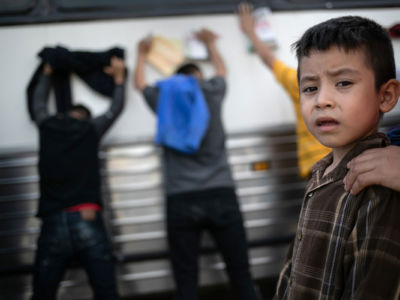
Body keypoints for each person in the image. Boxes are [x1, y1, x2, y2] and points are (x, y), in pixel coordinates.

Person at [273, 16, 400, 300]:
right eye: (310, 88)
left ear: (386, 95)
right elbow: (292, 273)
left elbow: (373, 288)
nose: (322, 100)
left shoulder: (379, 184)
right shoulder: (321, 173)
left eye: (343, 83)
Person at [133, 29, 258, 300]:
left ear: (177, 79)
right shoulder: (212, 92)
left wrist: (141, 53)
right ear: (199, 77)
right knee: (240, 273)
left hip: (180, 198)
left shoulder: (167, 99)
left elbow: (141, 83)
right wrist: (211, 44)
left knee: (186, 278)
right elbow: (222, 71)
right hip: (221, 192)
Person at [30, 56, 125, 300]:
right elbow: (115, 109)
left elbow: (38, 104)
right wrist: (119, 79)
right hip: (87, 216)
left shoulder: (47, 126)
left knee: (43, 292)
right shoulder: (91, 129)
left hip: (52, 220)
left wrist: (47, 72)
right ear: (85, 117)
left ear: (68, 114)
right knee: (106, 292)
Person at [238, 2, 331, 179]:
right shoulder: (346, 81)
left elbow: (269, 59)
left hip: (315, 165)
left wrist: (250, 31)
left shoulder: (298, 81)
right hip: (345, 162)